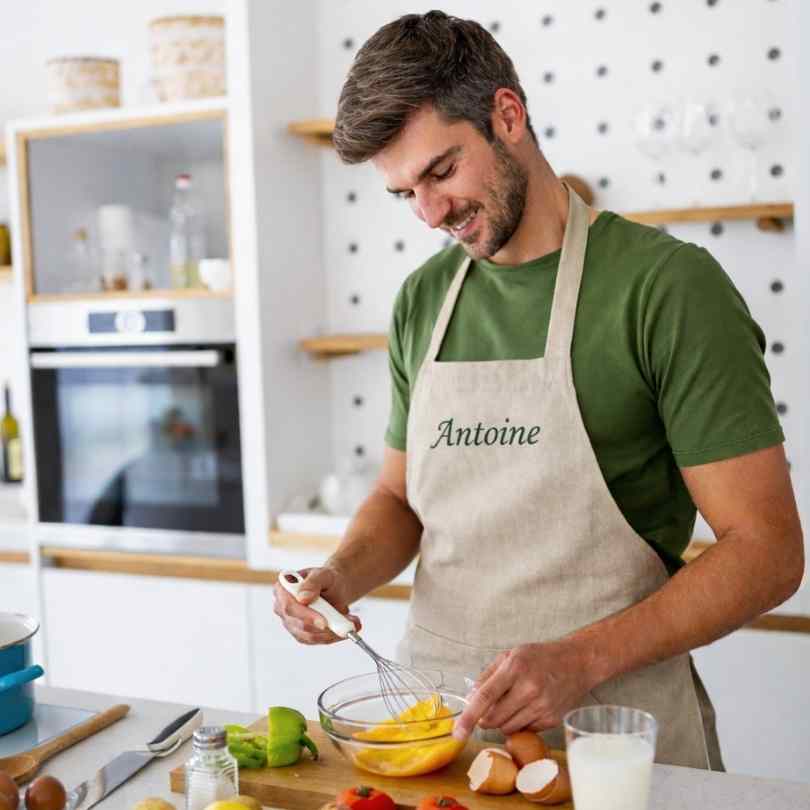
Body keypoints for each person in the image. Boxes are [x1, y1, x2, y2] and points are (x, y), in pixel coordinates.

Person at [273, 10, 804, 768]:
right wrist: (340, 576)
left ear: (507, 115)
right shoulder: (424, 300)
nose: (429, 214)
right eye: (403, 194)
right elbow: (399, 501)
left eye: (441, 171)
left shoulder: (665, 289)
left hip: (613, 746)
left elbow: (769, 552)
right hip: (440, 745)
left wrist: (578, 661)